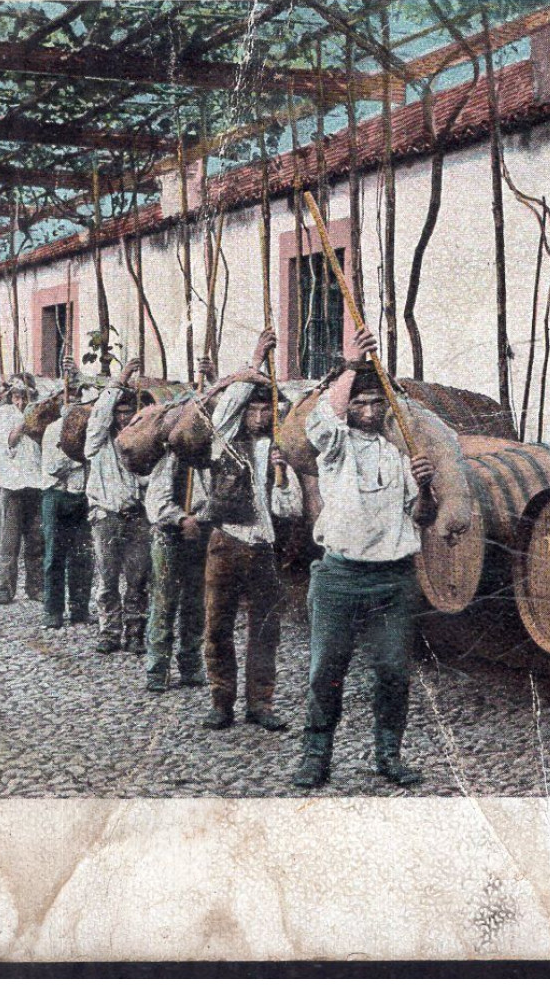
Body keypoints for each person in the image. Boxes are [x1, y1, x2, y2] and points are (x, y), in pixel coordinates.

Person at [293, 326, 437, 790]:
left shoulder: (399, 456)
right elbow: (325, 421)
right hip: (339, 578)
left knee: (394, 671)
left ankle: (388, 754)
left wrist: (427, 485)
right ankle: (316, 755)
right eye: (360, 403)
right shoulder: (334, 449)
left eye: (377, 403)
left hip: (393, 581)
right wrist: (354, 366)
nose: (370, 411)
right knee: (325, 671)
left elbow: (422, 516)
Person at [199, 330, 303, 730]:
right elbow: (228, 403)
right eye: (253, 410)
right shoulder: (224, 442)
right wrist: (256, 358)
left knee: (265, 630)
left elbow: (290, 508)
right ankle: (220, 701)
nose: (259, 417)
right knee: (218, 626)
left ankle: (260, 703)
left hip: (264, 550)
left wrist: (282, 473)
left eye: (267, 410)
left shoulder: (280, 451)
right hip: (227, 542)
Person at [140, 354, 216, 692]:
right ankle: (157, 669)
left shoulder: (209, 458)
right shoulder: (170, 458)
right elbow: (156, 503)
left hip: (200, 533)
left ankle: (190, 665)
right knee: (164, 601)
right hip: (170, 537)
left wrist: (200, 518)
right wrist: (181, 517)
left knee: (196, 604)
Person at [83, 356, 150, 655]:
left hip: (137, 519)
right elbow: (99, 415)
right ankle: (109, 631)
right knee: (108, 580)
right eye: (119, 412)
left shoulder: (146, 445)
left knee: (137, 579)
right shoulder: (97, 442)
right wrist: (120, 379)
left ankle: (135, 632)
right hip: (106, 517)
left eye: (129, 412)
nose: (123, 418)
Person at [39, 376, 95, 631]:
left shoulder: (89, 429)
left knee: (82, 556)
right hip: (57, 496)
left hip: (81, 497)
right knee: (54, 555)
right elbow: (52, 467)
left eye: (76, 399)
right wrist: (77, 458)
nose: (72, 404)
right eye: (68, 399)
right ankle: (53, 610)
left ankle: (80, 608)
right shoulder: (53, 430)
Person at [0, 379, 46, 605]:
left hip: (34, 484)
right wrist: (24, 421)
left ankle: (36, 587)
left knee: (36, 540)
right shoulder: (5, 414)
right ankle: (5, 588)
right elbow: (10, 441)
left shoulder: (38, 413)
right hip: (12, 485)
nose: (21, 401)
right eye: (16, 397)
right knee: (9, 542)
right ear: (10, 397)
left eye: (24, 397)